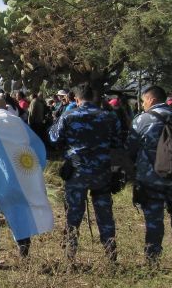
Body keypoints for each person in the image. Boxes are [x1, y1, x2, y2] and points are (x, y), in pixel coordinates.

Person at [0, 97, 54, 267]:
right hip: (20, 179)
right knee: (21, 211)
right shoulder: (20, 125)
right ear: (6, 107)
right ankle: (24, 253)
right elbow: (35, 146)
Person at [50, 84, 122, 262]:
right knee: (104, 214)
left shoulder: (69, 115)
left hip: (77, 171)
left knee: (73, 214)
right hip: (102, 172)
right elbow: (118, 142)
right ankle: (110, 255)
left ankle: (69, 256)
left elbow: (54, 138)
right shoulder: (109, 117)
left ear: (76, 98)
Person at [128, 86, 172, 272]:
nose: (143, 104)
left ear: (151, 99)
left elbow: (131, 148)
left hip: (151, 179)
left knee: (154, 221)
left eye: (143, 101)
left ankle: (152, 262)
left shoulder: (143, 119)